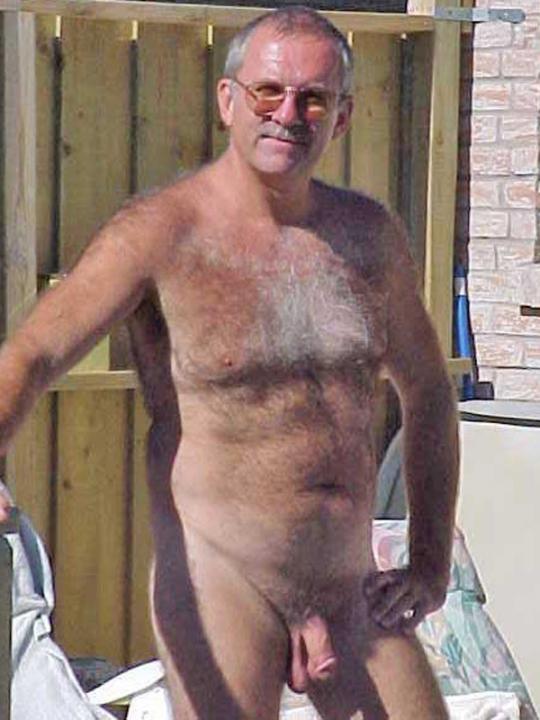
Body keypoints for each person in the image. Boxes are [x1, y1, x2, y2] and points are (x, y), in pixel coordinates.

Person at [0, 6, 459, 719]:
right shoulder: (161, 233)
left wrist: (429, 561)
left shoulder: (369, 237)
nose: (288, 115)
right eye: (267, 92)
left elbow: (428, 390)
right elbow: (32, 353)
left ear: (342, 117)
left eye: (314, 99)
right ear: (227, 101)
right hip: (223, 583)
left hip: (346, 585)